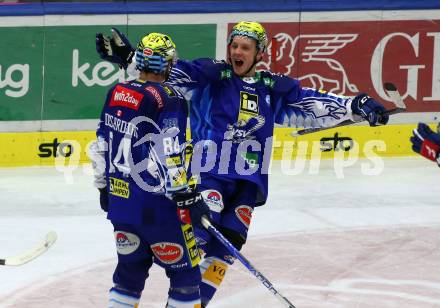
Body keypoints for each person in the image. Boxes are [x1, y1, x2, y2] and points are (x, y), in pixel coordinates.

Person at [96, 22, 390, 307]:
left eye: (245, 47)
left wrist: (356, 105)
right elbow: (164, 76)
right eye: (234, 45)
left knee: (227, 249)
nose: (237, 51)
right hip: (208, 174)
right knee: (196, 243)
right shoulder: (210, 76)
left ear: (259, 53)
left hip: (248, 185)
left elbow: (310, 105)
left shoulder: (272, 88)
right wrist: (131, 58)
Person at [89, 32, 211, 308]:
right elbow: (171, 151)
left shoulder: (117, 91)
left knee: (128, 276)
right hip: (157, 209)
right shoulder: (168, 98)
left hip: (121, 205)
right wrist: (188, 196)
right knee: (187, 276)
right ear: (167, 64)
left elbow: (100, 142)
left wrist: (102, 187)